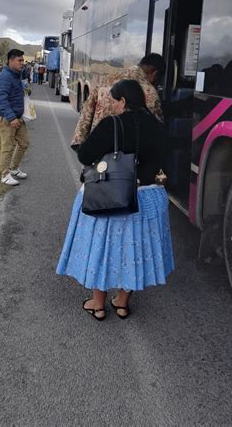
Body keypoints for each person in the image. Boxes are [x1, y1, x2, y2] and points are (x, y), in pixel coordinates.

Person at [57, 79, 174, 320]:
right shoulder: (157, 125)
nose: (112, 107)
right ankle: (121, 302)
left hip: (112, 196)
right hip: (149, 197)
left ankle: (97, 304)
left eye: (114, 102)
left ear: (123, 101)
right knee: (133, 251)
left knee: (102, 248)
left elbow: (86, 155)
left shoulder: (112, 124)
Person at [71, 53, 166, 147]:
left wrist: (78, 141)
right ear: (154, 74)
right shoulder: (150, 92)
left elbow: (87, 110)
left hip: (99, 147)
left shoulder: (105, 80)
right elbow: (157, 129)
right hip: (128, 153)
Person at [0, 48, 30, 186]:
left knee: (24, 142)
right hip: (7, 118)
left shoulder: (16, 75)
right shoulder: (5, 77)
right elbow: (1, 100)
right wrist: (11, 117)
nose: (22, 63)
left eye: (23, 60)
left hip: (17, 117)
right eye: (19, 60)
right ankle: (4, 175)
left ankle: (14, 169)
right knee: (7, 147)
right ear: (10, 61)